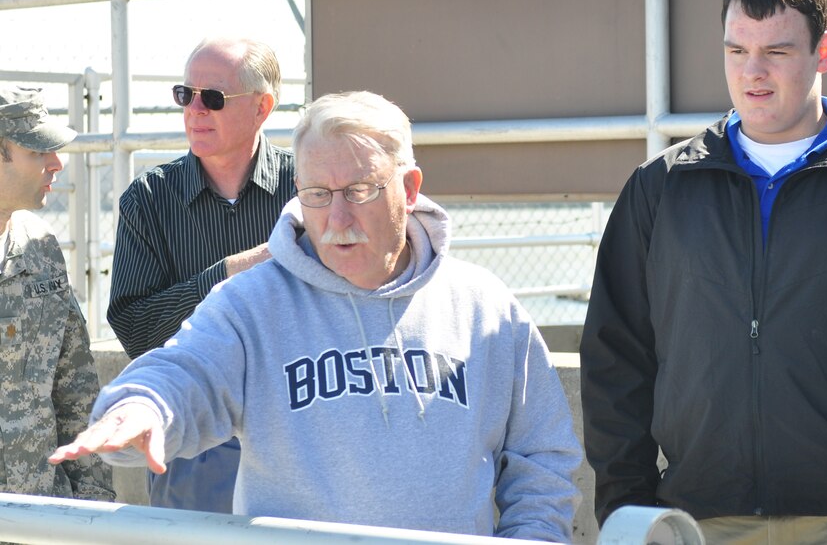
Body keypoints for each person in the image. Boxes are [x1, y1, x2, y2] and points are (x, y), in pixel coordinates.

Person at [51, 90, 582, 540]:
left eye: (359, 190)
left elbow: (544, 458)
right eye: (318, 194)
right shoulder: (252, 304)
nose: (337, 218)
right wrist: (144, 407)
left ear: (410, 188)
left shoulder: (486, 308)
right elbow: (186, 370)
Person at [580, 0, 827, 544]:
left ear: (823, 52)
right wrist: (627, 509)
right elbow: (616, 357)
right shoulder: (661, 188)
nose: (752, 72)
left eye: (777, 51)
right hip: (700, 519)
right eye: (737, 51)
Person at [105, 37, 295, 512]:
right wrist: (231, 271)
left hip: (299, 427)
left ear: (262, 108)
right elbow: (137, 329)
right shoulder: (148, 200)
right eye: (185, 95)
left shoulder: (310, 189)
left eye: (213, 98)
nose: (195, 110)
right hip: (194, 441)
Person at [0, 85, 114, 501]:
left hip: (42, 515)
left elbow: (76, 393)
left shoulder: (41, 248)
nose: (57, 163)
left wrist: (93, 508)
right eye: (37, 152)